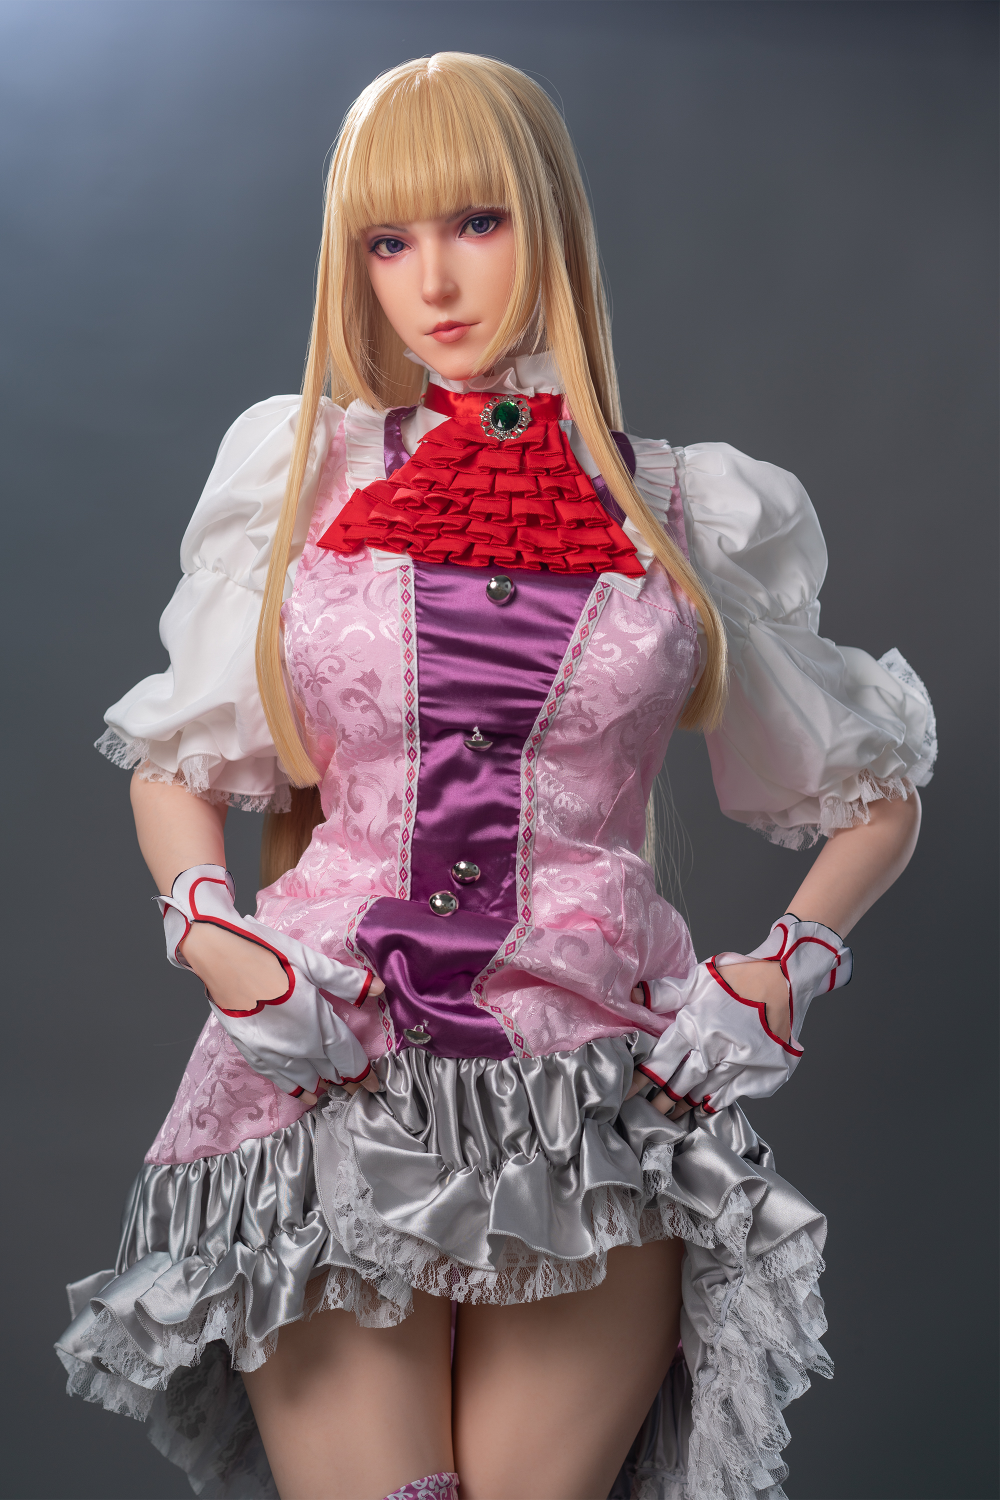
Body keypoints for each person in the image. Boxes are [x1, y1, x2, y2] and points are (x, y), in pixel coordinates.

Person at [55, 52, 935, 1500]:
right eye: (386, 242)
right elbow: (176, 757)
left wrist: (788, 966)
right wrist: (218, 942)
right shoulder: (303, 478)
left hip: (593, 1098)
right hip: (322, 1057)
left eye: (476, 222)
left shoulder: (685, 508)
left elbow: (874, 789)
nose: (435, 282)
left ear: (551, 222)